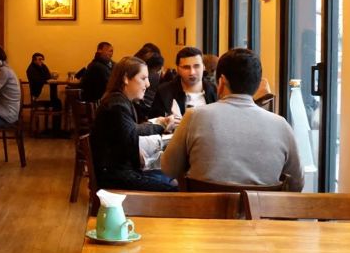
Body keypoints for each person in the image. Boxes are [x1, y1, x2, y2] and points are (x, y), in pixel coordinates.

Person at [161, 48, 304, 191]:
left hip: (202, 205)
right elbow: (297, 184)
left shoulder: (194, 116)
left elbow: (169, 169)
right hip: (262, 206)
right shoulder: (281, 125)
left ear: (221, 82)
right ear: (256, 84)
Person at [89, 56, 178, 192]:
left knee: (172, 176)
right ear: (126, 78)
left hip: (119, 171)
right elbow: (131, 137)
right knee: (175, 187)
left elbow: (129, 133)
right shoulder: (116, 105)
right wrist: (161, 127)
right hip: (116, 177)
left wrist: (159, 124)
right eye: (143, 78)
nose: (148, 84)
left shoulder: (119, 100)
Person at [151, 46, 218, 132]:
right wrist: (164, 123)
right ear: (178, 69)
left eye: (196, 66)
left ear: (203, 67)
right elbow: (153, 124)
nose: (192, 72)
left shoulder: (215, 91)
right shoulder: (164, 92)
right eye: (186, 67)